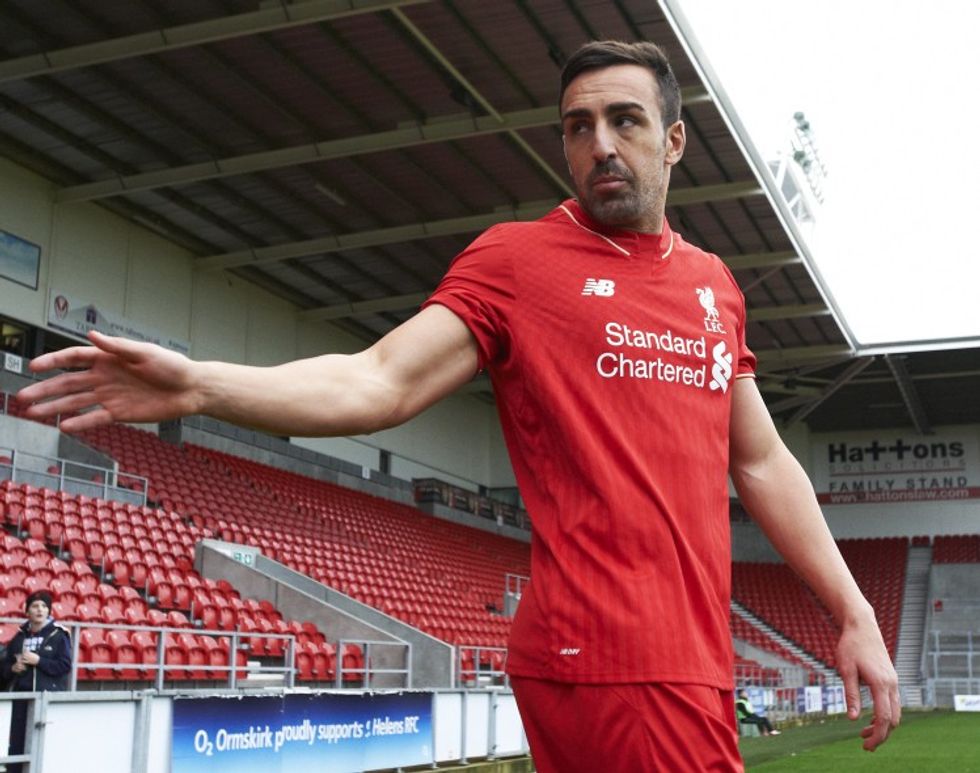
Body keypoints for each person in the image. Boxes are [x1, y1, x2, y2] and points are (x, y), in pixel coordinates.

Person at [16, 40, 899, 772]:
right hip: (608, 658)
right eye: (577, 126)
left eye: (624, 121)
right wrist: (203, 384)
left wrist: (853, 610)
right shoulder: (519, 262)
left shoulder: (713, 286)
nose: (600, 144)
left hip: (686, 660)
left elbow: (760, 459)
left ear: (672, 142)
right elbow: (380, 380)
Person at [1, 591, 72, 772]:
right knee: (17, 744)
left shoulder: (59, 635)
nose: (40, 610)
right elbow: (5, 665)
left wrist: (39, 661)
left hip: (47, 699)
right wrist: (12, 669)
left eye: (44, 606)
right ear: (27, 612)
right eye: (35, 606)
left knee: (44, 745)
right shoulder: (19, 637)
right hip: (22, 698)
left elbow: (64, 665)